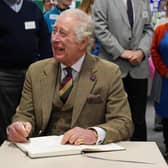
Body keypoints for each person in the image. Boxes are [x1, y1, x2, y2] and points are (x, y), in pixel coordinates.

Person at [7, 9, 133, 145]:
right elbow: (25, 113)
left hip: (85, 154)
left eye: (63, 33)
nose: (55, 39)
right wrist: (20, 126)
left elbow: (123, 122)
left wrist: (94, 133)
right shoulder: (36, 71)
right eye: (54, 31)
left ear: (83, 42)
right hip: (41, 153)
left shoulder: (108, 73)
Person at [93, 0, 153, 141]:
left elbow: (149, 29)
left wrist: (141, 51)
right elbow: (99, 27)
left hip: (138, 67)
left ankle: (140, 157)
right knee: (110, 115)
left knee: (138, 117)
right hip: (113, 66)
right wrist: (121, 52)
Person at [0, 0, 51, 145]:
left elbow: (44, 40)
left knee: (33, 111)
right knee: (7, 116)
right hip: (5, 74)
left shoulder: (32, 8)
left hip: (33, 72)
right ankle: (6, 149)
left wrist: (47, 66)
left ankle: (30, 144)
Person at [150, 0, 168, 160]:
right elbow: (153, 50)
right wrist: (164, 71)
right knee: (166, 115)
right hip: (164, 80)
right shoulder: (161, 29)